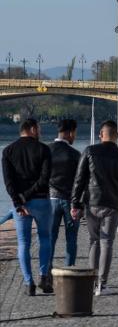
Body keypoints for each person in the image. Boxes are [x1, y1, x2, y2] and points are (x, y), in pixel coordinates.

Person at [71, 120, 118, 296]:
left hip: (92, 203)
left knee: (94, 241)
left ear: (101, 134)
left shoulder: (89, 151)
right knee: (107, 242)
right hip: (113, 204)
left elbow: (79, 179)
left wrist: (75, 203)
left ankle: (92, 283)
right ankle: (102, 284)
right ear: (117, 136)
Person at [2, 118, 52, 296]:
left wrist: (19, 201)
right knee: (45, 238)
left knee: (23, 243)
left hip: (21, 205)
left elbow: (9, 183)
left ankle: (28, 283)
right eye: (39, 128)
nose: (41, 132)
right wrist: (28, 195)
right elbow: (45, 179)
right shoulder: (44, 149)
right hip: (42, 201)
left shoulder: (8, 151)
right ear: (32, 129)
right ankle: (44, 277)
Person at [48, 119, 81, 269]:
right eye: (74, 133)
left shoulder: (47, 150)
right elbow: (80, 181)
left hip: (51, 200)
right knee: (71, 239)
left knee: (50, 238)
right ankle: (69, 271)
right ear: (69, 133)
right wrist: (80, 204)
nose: (75, 137)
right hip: (70, 201)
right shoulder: (75, 154)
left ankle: (46, 272)